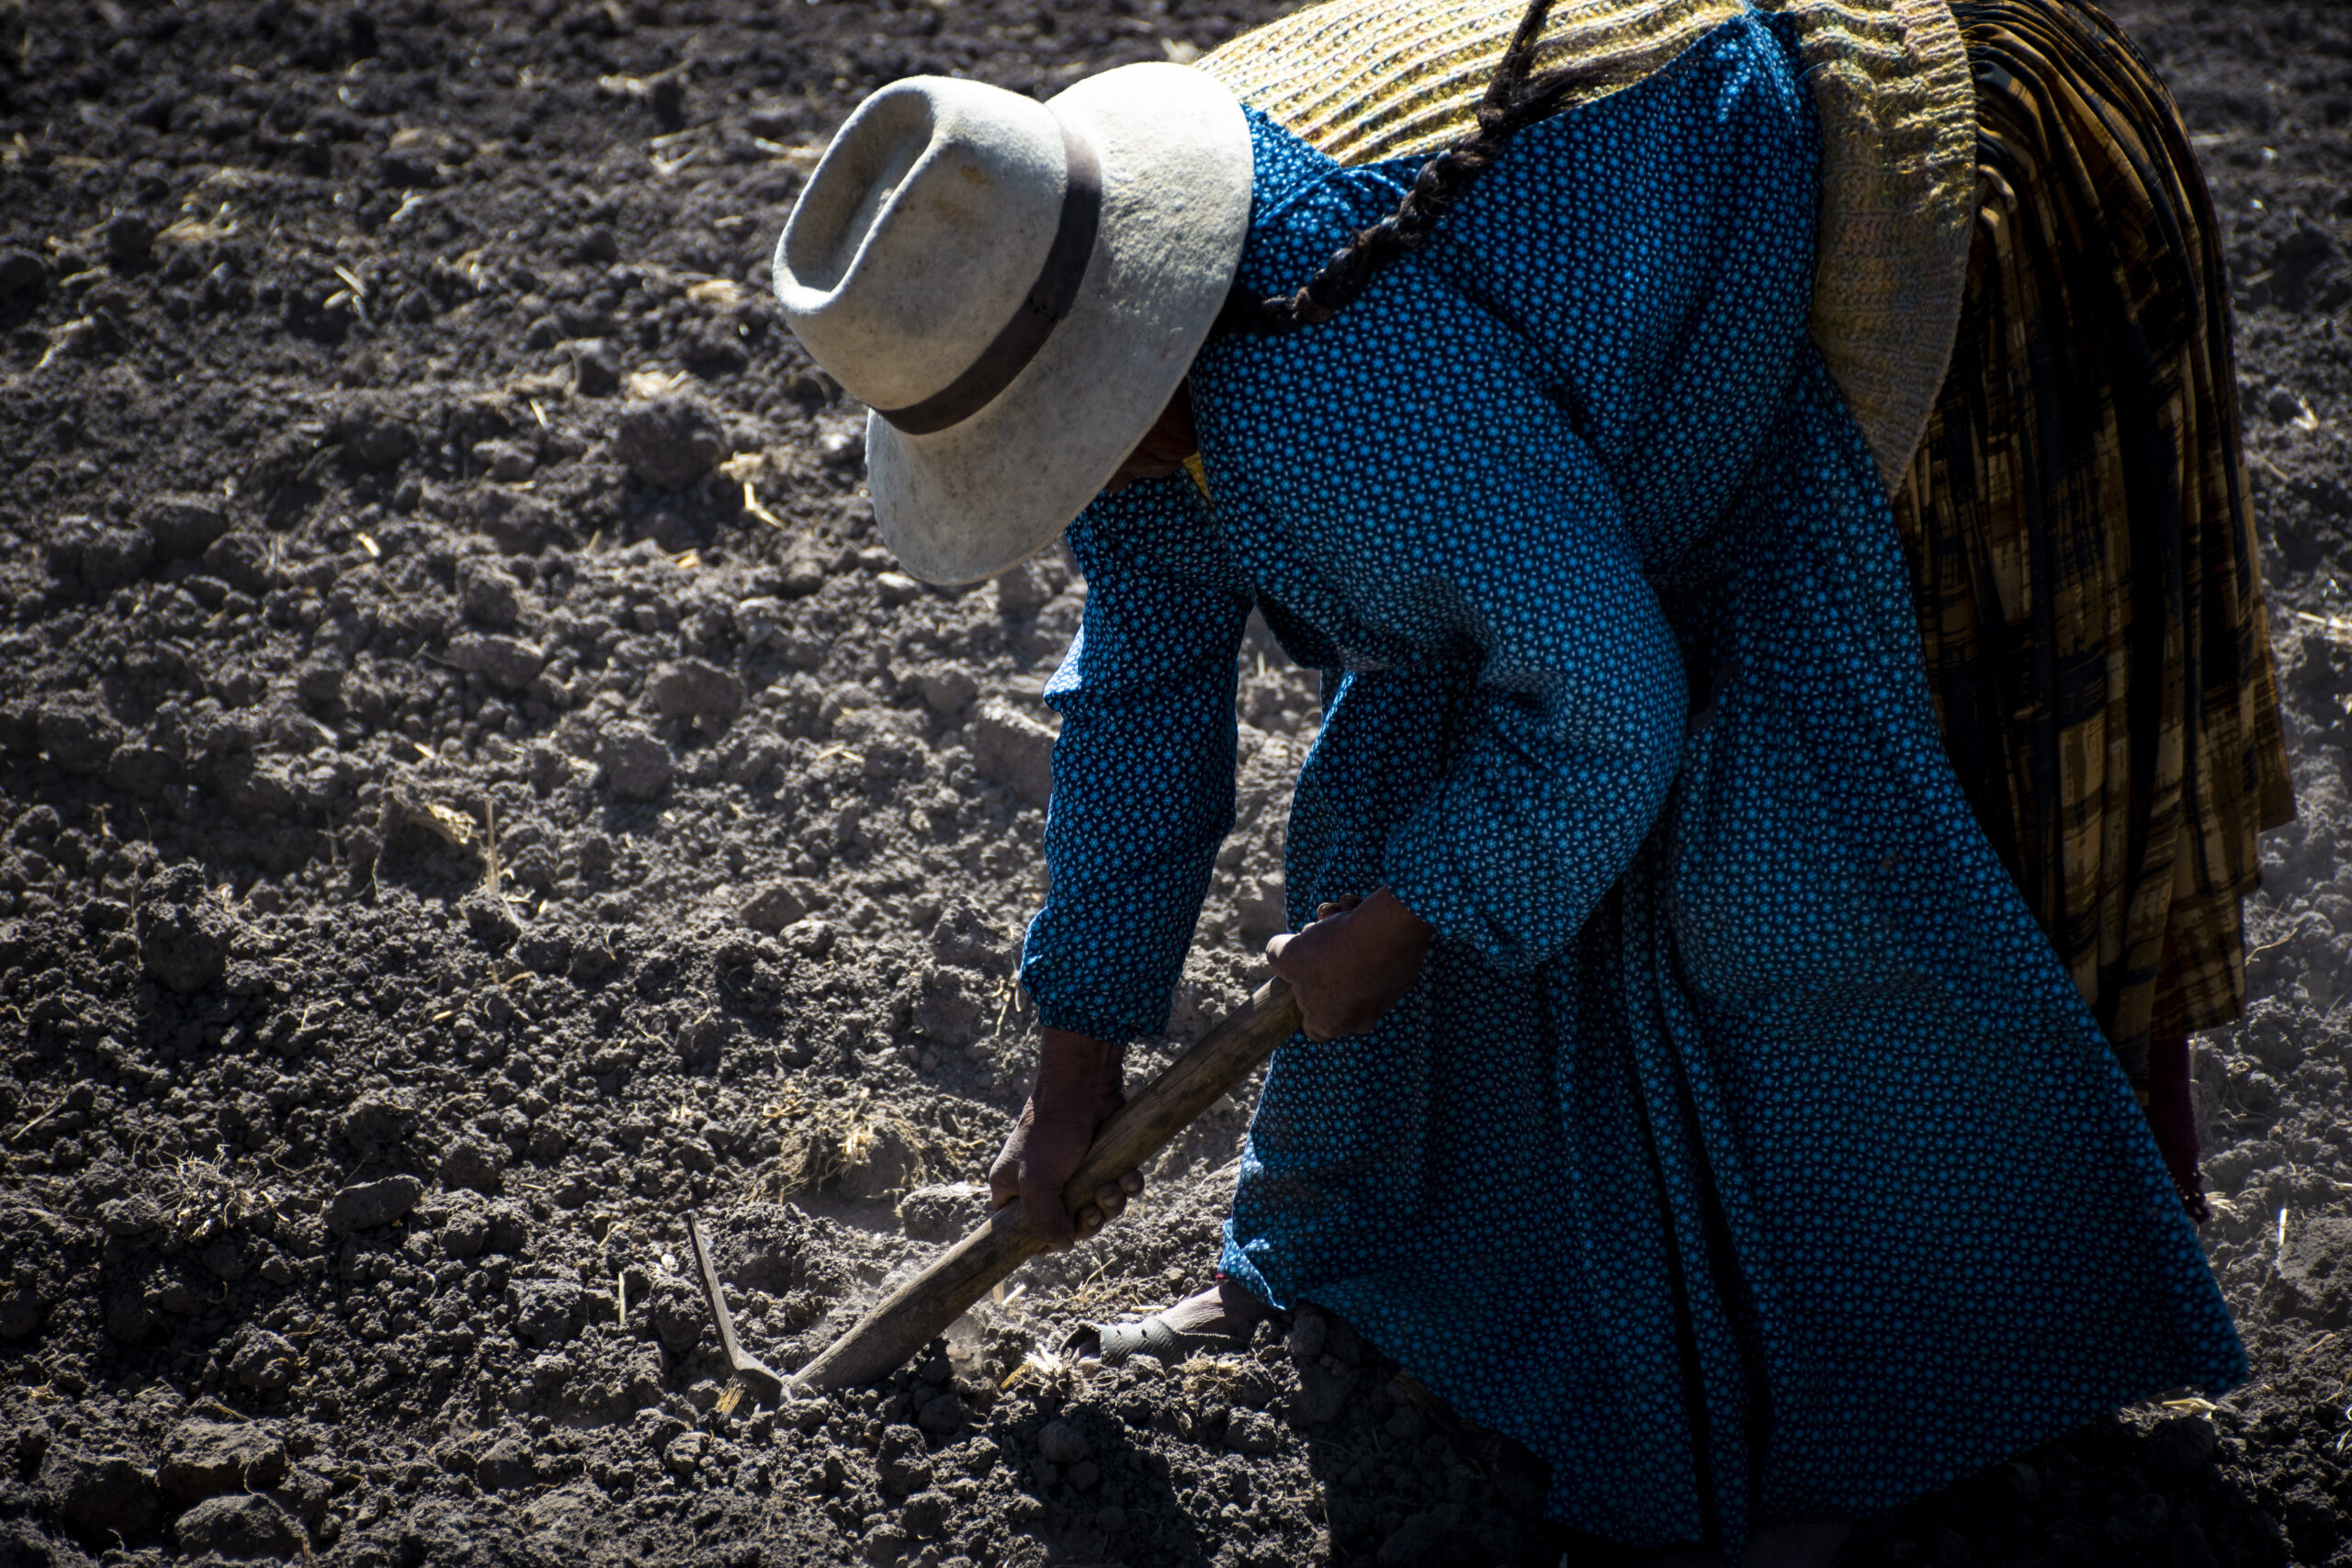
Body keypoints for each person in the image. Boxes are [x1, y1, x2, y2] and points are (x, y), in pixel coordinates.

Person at [769, 0, 2290, 1559]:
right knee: (1412, 801)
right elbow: (1140, 723)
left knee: (1783, 877)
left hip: (1939, 189)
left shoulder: (1328, 378)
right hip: (1556, 377)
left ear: (1124, 347)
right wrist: (1069, 1090)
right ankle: (1365, 1271)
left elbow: (1605, 710)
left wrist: (1418, 914)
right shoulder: (1141, 400)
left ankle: (1918, 1387)